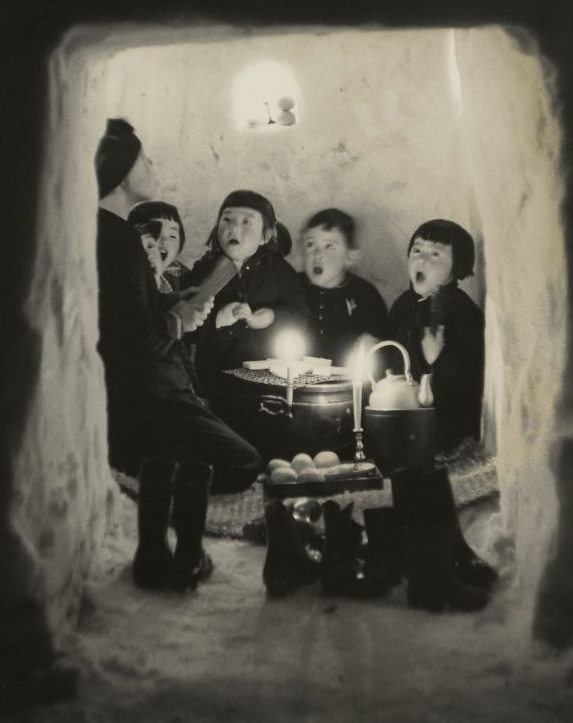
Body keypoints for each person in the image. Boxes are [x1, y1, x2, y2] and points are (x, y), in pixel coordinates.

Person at [95, 120, 261, 592]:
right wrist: (180, 322)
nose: (151, 167)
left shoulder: (108, 232)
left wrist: (176, 299)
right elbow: (133, 338)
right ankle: (179, 540)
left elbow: (130, 309)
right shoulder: (119, 240)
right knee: (242, 462)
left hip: (152, 386)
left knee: (181, 450)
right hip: (151, 389)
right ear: (124, 173)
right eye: (144, 160)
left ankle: (157, 549)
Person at [185, 189, 310, 393]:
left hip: (270, 378)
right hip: (217, 379)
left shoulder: (279, 271)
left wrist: (271, 317)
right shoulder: (204, 271)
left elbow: (301, 314)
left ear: (265, 236)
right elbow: (187, 330)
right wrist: (219, 320)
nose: (234, 228)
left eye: (246, 222)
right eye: (227, 220)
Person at [387, 219, 484, 453]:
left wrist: (438, 359)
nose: (421, 259)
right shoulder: (403, 305)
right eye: (417, 250)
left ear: (456, 267)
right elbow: (391, 354)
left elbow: (468, 382)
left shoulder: (462, 312)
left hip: (443, 428)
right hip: (402, 418)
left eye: (435, 254)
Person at [298, 208, 387, 366]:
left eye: (329, 246)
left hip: (346, 384)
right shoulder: (290, 286)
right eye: (310, 244)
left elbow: (378, 342)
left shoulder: (365, 294)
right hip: (294, 381)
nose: (317, 254)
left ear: (350, 256)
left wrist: (370, 344)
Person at [127, 200, 189, 293]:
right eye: (155, 231)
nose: (164, 241)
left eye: (172, 236)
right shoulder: (127, 273)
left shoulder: (178, 274)